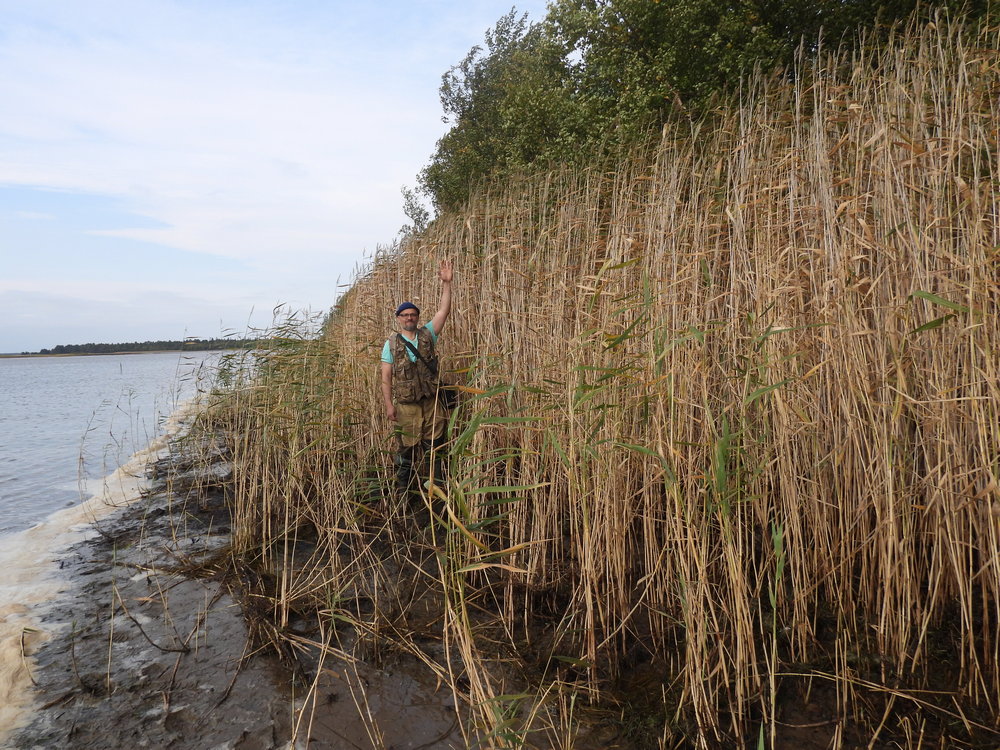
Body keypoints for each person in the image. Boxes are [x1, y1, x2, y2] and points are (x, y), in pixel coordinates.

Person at [380, 259, 453, 496]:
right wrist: (389, 405)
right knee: (407, 449)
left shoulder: (428, 334)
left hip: (431, 402)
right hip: (406, 406)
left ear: (417, 317)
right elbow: (386, 377)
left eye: (413, 314)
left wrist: (446, 284)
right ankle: (403, 491)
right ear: (398, 318)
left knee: (435, 446)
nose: (409, 318)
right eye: (405, 315)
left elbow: (444, 311)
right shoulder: (390, 344)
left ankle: (438, 488)